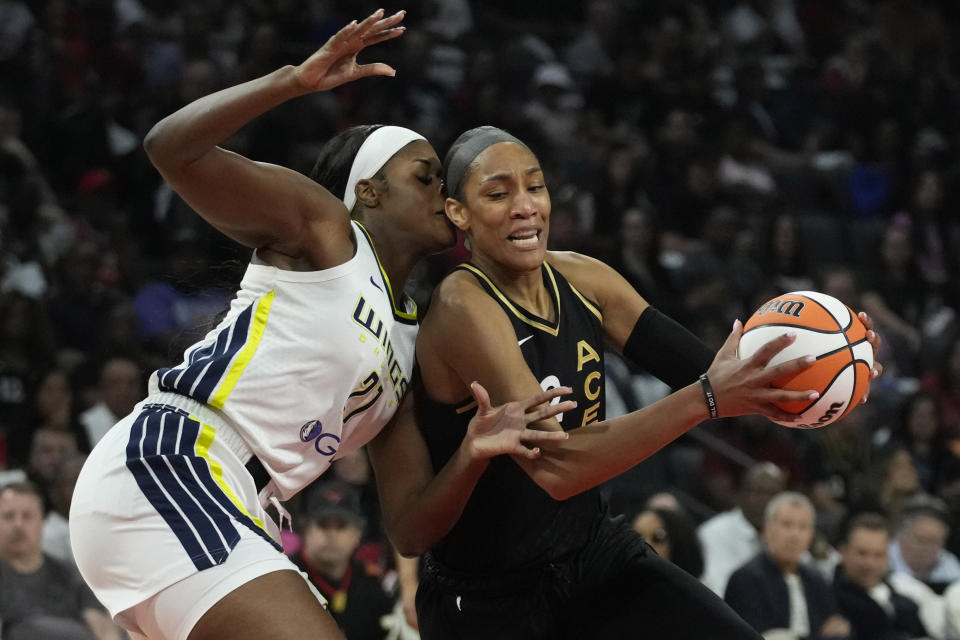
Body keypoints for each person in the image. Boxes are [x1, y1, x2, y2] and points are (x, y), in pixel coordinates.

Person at [69, 13, 572, 640]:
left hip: (242, 504)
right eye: (425, 176)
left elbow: (410, 522)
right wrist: (290, 82)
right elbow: (169, 149)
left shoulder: (417, 337)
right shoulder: (327, 231)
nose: (447, 191)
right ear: (369, 190)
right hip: (176, 460)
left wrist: (472, 454)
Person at [367, 125, 884, 639]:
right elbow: (557, 466)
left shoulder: (586, 277)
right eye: (498, 193)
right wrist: (706, 399)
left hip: (592, 553)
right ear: (459, 213)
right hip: (486, 598)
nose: (525, 206)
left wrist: (825, 372)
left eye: (536, 186)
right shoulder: (463, 303)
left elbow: (713, 374)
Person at [0, 481, 120, 640]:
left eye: (27, 516)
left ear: (42, 522)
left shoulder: (73, 577)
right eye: (8, 516)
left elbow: (105, 634)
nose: (18, 525)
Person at [724, 492, 851, 640]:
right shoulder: (746, 579)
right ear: (767, 529)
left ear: (811, 535)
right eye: (786, 525)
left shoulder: (816, 580)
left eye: (803, 527)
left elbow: (836, 628)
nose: (794, 535)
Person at [290, 480, 394, 640]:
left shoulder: (371, 586)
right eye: (323, 525)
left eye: (341, 526)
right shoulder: (286, 579)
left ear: (358, 534)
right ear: (305, 530)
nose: (332, 534)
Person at [833, 512, 931, 640]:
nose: (869, 563)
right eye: (862, 553)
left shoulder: (906, 604)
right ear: (843, 552)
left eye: (878, 555)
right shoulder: (829, 600)